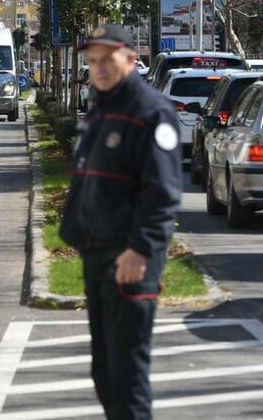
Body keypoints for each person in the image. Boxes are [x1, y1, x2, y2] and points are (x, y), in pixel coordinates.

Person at [59, 23, 182, 420]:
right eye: (93, 61)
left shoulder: (151, 113)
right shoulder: (102, 109)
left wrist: (141, 249)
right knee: (105, 372)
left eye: (108, 59)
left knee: (127, 376)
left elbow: (162, 192)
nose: (99, 67)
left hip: (130, 260)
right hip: (98, 254)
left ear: (131, 60)